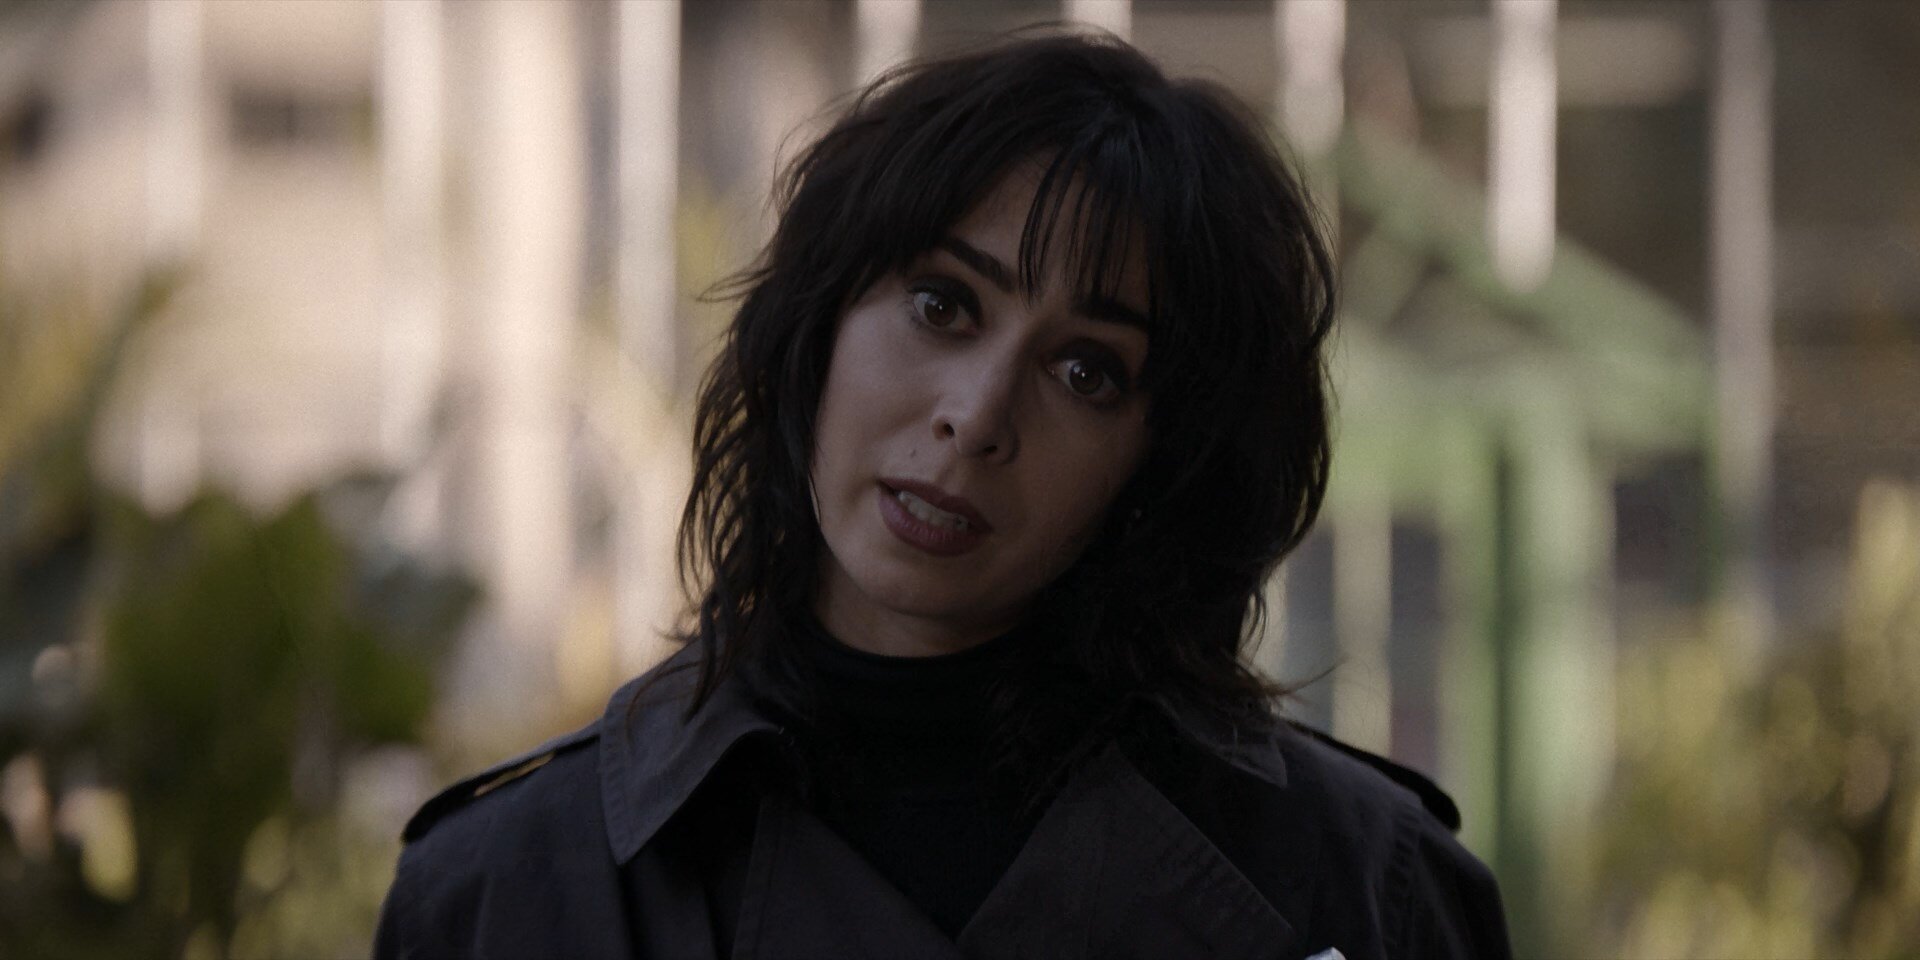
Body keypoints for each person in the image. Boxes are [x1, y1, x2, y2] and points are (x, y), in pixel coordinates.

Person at [375, 32, 1511, 960]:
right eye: (942, 306)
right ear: (820, 324)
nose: (976, 416)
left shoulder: (1363, 889)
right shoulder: (510, 892)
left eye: (1086, 372)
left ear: (1162, 466)